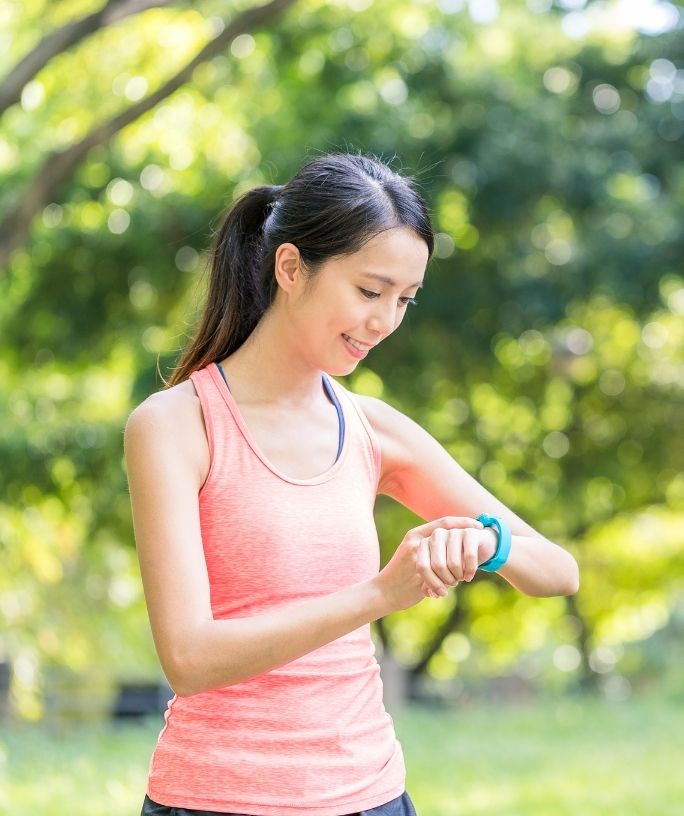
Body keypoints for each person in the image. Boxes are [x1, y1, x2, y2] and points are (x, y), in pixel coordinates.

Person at [124, 151, 580, 816]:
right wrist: (380, 594)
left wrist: (487, 543)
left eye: (405, 299)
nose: (385, 321)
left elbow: (559, 571)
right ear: (290, 268)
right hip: (216, 799)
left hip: (372, 797)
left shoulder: (373, 430)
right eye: (370, 292)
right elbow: (189, 657)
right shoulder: (175, 425)